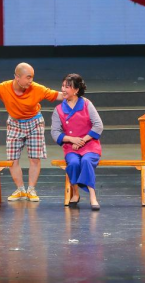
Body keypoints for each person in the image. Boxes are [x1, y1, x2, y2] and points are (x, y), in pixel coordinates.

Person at [0, 62, 63, 202]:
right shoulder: (3, 87)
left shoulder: (37, 88)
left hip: (34, 122)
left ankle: (31, 189)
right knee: (12, 159)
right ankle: (20, 189)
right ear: (17, 77)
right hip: (14, 123)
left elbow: (58, 96)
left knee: (34, 158)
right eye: (28, 77)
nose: (31, 80)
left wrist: (75, 93)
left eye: (32, 77)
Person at [50, 73, 103, 210]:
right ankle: (76, 193)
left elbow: (98, 125)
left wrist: (83, 140)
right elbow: (55, 132)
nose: (63, 89)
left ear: (76, 90)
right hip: (71, 146)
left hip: (89, 144)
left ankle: (92, 195)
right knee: (73, 163)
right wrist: (71, 139)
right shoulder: (58, 109)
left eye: (67, 87)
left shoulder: (86, 104)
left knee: (86, 161)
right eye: (62, 86)